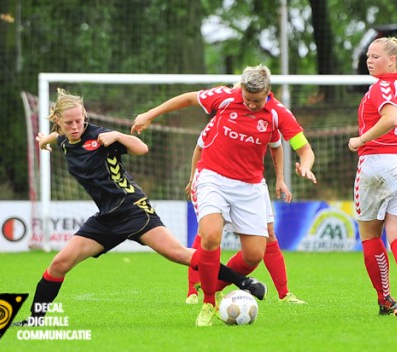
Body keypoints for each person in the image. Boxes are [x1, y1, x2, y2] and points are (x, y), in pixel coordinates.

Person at [14, 89, 266, 326]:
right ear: (58, 121)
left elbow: (142, 148)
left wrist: (118, 136)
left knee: (178, 254)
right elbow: (58, 137)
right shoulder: (65, 140)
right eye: (69, 123)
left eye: (79, 120)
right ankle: (36, 319)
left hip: (133, 208)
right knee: (59, 264)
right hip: (106, 218)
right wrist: (44, 140)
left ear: (85, 116)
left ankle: (243, 281)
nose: (76, 126)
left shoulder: (99, 136)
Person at [132, 64, 317, 327]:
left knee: (253, 255)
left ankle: (217, 286)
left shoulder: (278, 114)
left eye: (257, 100)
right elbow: (187, 98)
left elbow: (304, 147)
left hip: (250, 187)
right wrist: (150, 114)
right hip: (213, 178)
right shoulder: (226, 97)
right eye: (248, 99)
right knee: (209, 236)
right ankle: (208, 302)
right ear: (241, 89)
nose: (252, 105)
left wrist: (305, 166)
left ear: (268, 92)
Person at [347, 37, 397, 317]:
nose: (370, 61)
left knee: (370, 236)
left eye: (376, 56)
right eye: (368, 56)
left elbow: (391, 118)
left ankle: (385, 300)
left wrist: (361, 139)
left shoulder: (382, 86)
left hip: (381, 162)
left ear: (392, 60)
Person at [185, 134, 306, 305]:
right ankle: (193, 291)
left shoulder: (269, 117)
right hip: (216, 182)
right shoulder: (223, 117)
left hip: (252, 184)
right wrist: (192, 178)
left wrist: (280, 179)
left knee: (267, 235)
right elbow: (200, 147)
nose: (251, 105)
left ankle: (284, 294)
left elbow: (278, 146)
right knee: (209, 233)